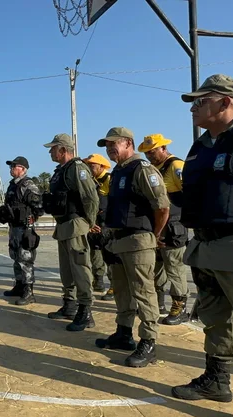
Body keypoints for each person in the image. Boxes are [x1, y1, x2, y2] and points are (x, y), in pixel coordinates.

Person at [171, 74, 233, 417]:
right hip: (206, 246)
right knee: (215, 318)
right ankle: (217, 380)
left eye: (200, 101)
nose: (193, 108)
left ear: (225, 102)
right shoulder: (200, 146)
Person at [94, 127, 170, 368]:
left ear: (128, 143)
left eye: (112, 144)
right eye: (106, 146)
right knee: (122, 290)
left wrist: (153, 235)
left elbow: (162, 206)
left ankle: (148, 342)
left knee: (143, 292)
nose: (108, 149)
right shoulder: (119, 171)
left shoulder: (142, 169)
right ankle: (123, 333)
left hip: (138, 240)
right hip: (117, 241)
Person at [42, 134, 99, 331]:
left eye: (53, 148)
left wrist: (89, 222)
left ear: (63, 150)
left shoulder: (77, 169)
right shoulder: (61, 171)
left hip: (75, 225)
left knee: (80, 269)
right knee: (67, 270)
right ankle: (70, 304)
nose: (50, 152)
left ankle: (85, 311)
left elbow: (90, 198)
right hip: (64, 225)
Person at [138, 134, 190, 325]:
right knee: (156, 268)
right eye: (146, 153)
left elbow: (190, 194)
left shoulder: (176, 166)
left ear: (163, 149)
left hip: (173, 226)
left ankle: (179, 306)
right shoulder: (153, 169)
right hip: (156, 225)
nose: (149, 156)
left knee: (174, 268)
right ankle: (158, 303)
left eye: (152, 152)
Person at [0, 156, 44, 305]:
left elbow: (39, 205)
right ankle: (19, 285)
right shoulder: (12, 185)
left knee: (25, 259)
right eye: (11, 166)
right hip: (14, 227)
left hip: (25, 228)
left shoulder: (28, 185)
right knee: (16, 256)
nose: (11, 169)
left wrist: (33, 217)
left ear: (22, 169)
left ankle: (29, 291)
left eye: (14, 166)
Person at [83, 153, 113, 299]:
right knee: (95, 254)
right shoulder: (91, 181)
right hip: (94, 224)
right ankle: (98, 280)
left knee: (110, 256)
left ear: (101, 166)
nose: (89, 168)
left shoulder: (109, 179)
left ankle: (114, 286)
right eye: (88, 166)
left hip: (106, 224)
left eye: (92, 165)